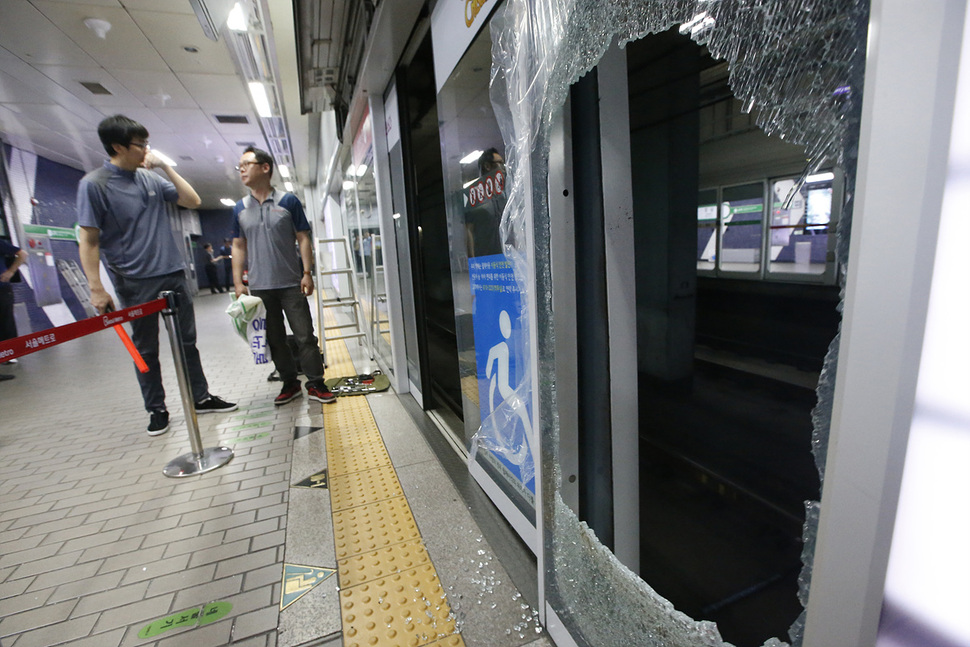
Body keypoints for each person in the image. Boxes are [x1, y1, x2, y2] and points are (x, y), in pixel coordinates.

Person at [77, 114, 236, 436]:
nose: (146, 149)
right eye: (141, 144)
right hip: (134, 280)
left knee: (187, 342)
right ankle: (157, 409)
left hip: (172, 273)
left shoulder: (150, 179)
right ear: (118, 146)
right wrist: (96, 288)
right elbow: (89, 240)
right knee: (145, 349)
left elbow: (192, 200)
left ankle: (200, 397)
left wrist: (166, 167)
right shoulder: (94, 185)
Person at [231, 146, 336, 406]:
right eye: (239, 166)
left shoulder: (288, 201)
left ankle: (316, 383)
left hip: (291, 283)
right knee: (275, 338)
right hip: (260, 287)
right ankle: (290, 383)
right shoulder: (239, 208)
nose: (242, 169)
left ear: (265, 168)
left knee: (305, 336)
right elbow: (238, 245)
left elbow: (303, 237)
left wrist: (307, 273)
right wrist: (237, 283)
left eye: (247, 164)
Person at [0, 238, 27, 380]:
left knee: (6, 323)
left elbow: (22, 254)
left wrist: (10, 272)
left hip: (2, 290)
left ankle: (9, 356)